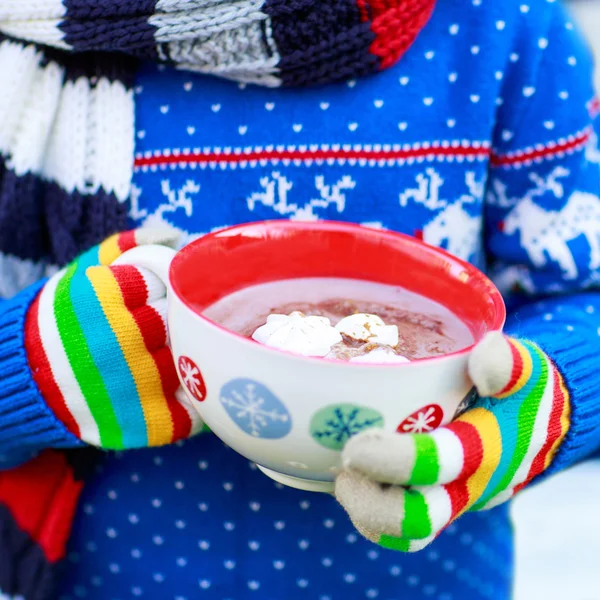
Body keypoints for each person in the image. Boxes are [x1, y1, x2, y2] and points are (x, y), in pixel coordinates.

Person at [0, 0, 599, 598]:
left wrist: (549, 401)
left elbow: (584, 290)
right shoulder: (27, 32)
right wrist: (24, 366)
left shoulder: (505, 28)